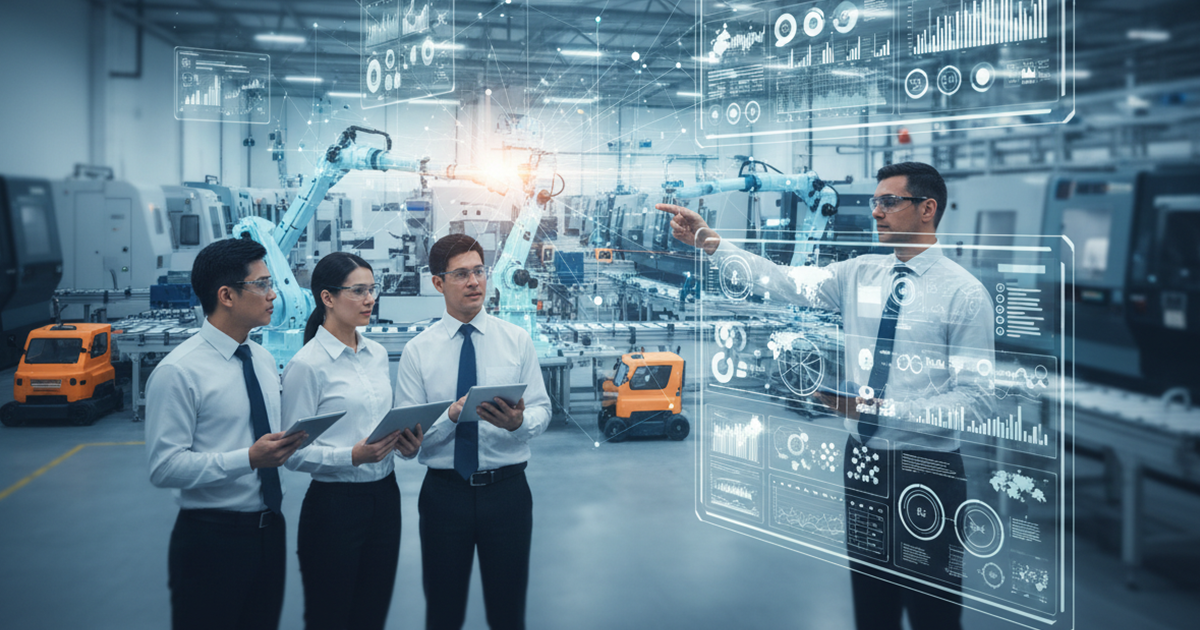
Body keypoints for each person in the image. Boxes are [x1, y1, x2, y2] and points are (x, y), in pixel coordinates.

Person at [658, 162, 995, 630]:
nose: (875, 212)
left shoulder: (965, 295)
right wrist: (711, 243)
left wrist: (884, 410)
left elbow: (976, 398)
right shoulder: (859, 274)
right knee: (872, 602)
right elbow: (781, 281)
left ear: (927, 209)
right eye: (875, 202)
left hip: (929, 469)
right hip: (864, 463)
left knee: (932, 610)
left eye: (888, 202)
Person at [146, 237, 307, 630]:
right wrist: (249, 459)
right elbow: (164, 467)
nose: (273, 294)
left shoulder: (263, 359)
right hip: (211, 540)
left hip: (269, 530)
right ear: (227, 295)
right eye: (263, 284)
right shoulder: (179, 371)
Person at [393, 234, 551, 630]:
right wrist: (449, 416)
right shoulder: (418, 351)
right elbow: (408, 439)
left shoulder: (516, 341)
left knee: (508, 609)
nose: (474, 282)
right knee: (443, 611)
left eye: (479, 271)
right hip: (445, 495)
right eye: (461, 274)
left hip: (508, 494)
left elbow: (543, 409)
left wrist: (519, 423)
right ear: (438, 283)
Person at [281, 252, 424, 630]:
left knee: (372, 613)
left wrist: (406, 444)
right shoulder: (307, 365)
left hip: (385, 498)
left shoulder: (377, 354)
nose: (369, 299)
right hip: (334, 509)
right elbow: (292, 454)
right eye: (358, 291)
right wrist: (352, 456)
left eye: (372, 290)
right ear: (327, 298)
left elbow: (381, 425)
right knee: (330, 616)